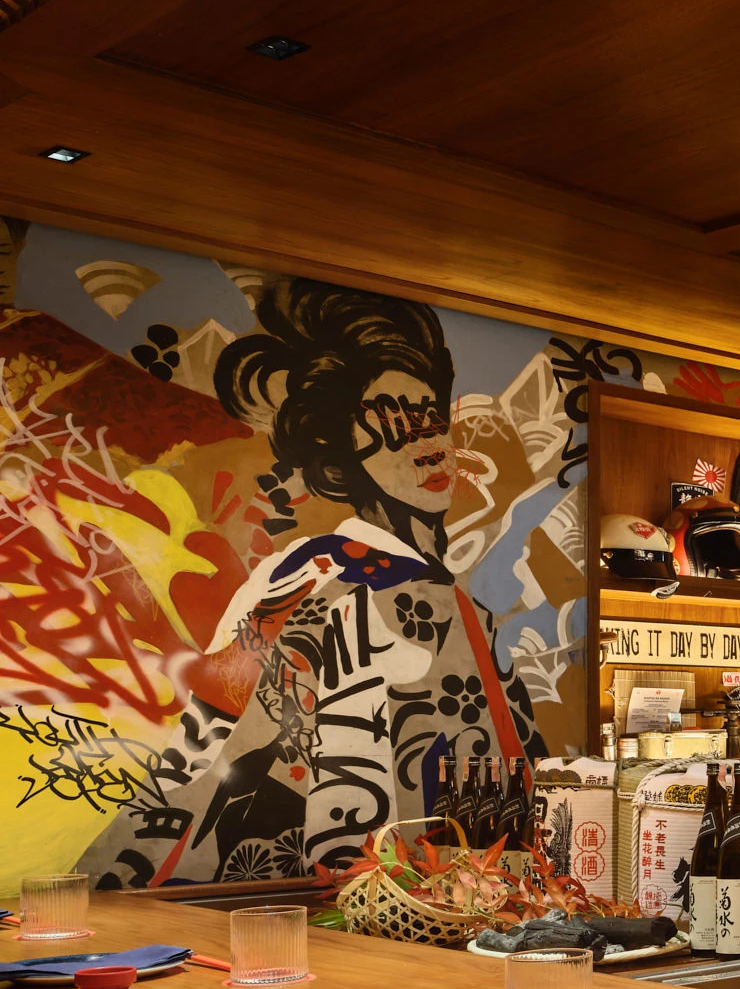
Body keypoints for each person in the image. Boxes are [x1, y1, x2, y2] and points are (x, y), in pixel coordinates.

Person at [81, 282, 545, 887]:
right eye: (396, 428)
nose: (428, 445)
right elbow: (228, 741)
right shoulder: (319, 582)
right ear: (338, 459)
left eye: (430, 418)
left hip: (465, 901)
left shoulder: (459, 603)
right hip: (330, 900)